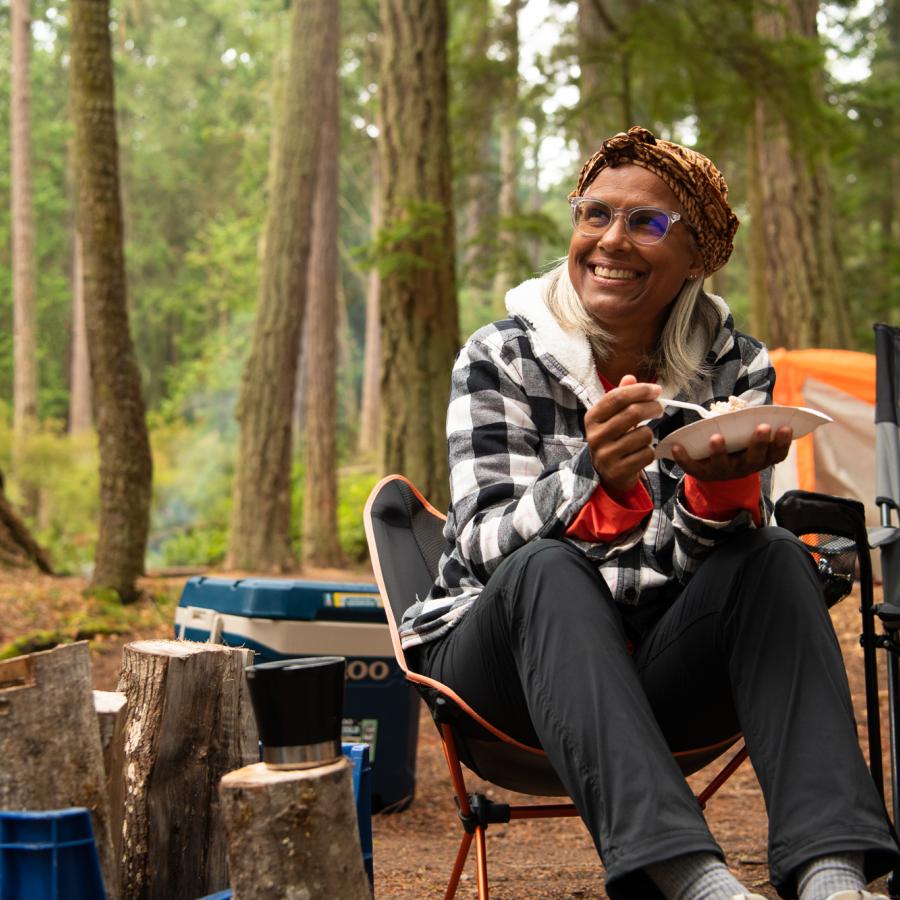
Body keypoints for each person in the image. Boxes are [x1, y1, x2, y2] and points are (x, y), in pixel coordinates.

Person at [400, 126, 900, 900]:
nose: (611, 241)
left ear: (699, 256)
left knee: (769, 557)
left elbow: (698, 579)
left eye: (648, 222)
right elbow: (481, 542)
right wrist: (589, 477)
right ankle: (690, 881)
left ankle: (832, 876)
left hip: (652, 672)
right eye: (594, 214)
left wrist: (717, 497)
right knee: (545, 565)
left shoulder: (738, 364)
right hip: (501, 675)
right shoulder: (502, 355)